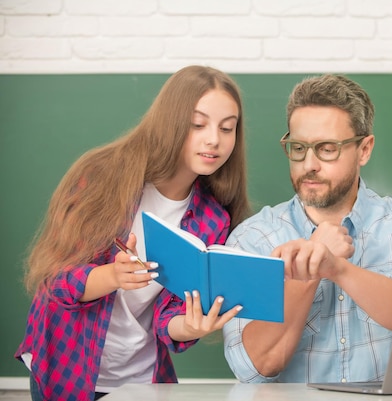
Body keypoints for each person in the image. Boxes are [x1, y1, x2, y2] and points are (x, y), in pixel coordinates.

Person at [15, 65, 250, 401]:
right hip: (65, 364)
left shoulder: (213, 218)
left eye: (227, 128)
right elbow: (57, 280)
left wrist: (192, 326)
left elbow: (169, 315)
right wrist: (113, 275)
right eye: (198, 124)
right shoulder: (103, 175)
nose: (214, 139)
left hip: (141, 377)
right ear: (170, 121)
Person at [223, 74, 392, 383]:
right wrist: (310, 270)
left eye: (327, 148)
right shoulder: (252, 240)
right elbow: (255, 367)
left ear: (365, 149)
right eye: (298, 148)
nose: (309, 164)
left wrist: (336, 267)